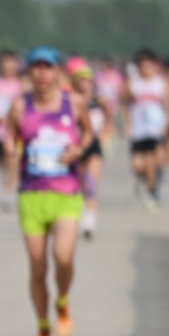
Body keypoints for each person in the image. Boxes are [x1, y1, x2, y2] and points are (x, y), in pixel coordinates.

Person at [7, 46, 94, 336]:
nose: (42, 73)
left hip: (66, 193)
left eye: (48, 67)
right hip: (32, 194)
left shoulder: (75, 103)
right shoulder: (20, 106)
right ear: (29, 72)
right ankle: (43, 327)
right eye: (37, 67)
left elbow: (88, 134)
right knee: (37, 266)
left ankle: (63, 301)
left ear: (59, 72)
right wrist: (11, 150)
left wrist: (78, 150)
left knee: (63, 257)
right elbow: (11, 136)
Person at [66, 57, 111, 240]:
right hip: (75, 146)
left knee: (90, 182)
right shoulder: (69, 101)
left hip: (93, 146)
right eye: (80, 79)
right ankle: (75, 217)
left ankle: (89, 222)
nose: (84, 83)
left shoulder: (98, 100)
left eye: (87, 79)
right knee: (77, 185)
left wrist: (105, 133)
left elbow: (109, 117)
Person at [123, 48, 169, 210]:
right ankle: (144, 181)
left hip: (155, 129)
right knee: (136, 165)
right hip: (138, 129)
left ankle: (153, 192)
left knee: (152, 161)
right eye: (142, 66)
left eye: (148, 66)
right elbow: (124, 103)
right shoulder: (133, 83)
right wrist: (127, 123)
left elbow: (168, 106)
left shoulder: (161, 83)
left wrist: (166, 125)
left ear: (154, 66)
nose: (145, 69)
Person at [0, 49, 24, 210]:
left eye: (11, 63)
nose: (7, 66)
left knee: (13, 162)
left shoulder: (22, 85)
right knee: (0, 163)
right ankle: (2, 185)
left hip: (14, 130)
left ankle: (8, 192)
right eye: (4, 63)